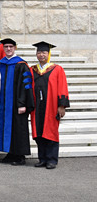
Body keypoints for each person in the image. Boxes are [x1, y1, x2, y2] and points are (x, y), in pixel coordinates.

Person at [30, 41, 69, 169]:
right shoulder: (32, 70)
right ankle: (42, 159)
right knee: (38, 133)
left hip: (51, 107)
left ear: (49, 54)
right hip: (37, 107)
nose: (41, 55)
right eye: (39, 52)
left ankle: (51, 160)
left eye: (44, 52)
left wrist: (61, 106)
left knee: (51, 132)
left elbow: (62, 87)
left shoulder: (57, 69)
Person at [0, 38, 34, 166]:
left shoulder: (21, 64)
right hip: (4, 104)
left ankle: (20, 155)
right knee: (7, 128)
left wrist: (22, 103)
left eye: (11, 47)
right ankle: (10, 153)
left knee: (19, 129)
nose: (8, 49)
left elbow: (26, 86)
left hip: (17, 104)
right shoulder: (1, 64)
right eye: (6, 47)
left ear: (15, 48)